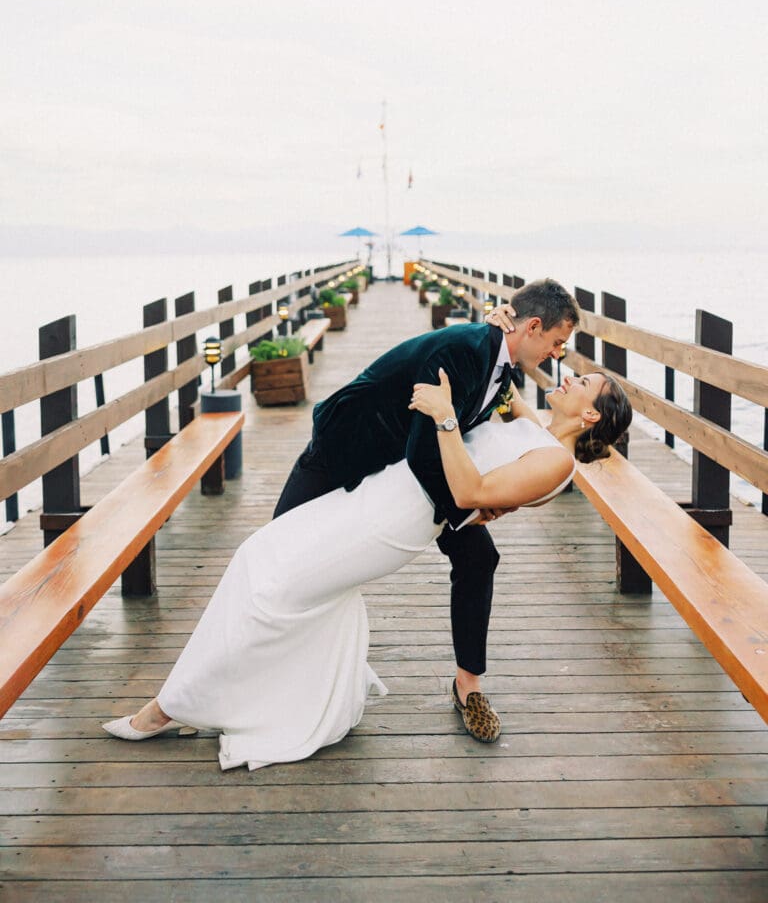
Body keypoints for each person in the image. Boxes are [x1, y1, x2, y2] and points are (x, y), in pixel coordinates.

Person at [103, 361, 632, 771]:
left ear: (590, 415)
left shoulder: (558, 462)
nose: (566, 376)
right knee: (265, 564)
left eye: (582, 381)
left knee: (271, 587)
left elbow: (472, 491)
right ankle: (239, 698)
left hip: (397, 518)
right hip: (386, 490)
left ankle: (170, 707)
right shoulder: (539, 430)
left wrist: (445, 416)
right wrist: (501, 331)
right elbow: (506, 380)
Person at [269, 277, 578, 742]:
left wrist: (494, 500)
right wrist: (470, 511)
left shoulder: (503, 367)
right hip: (344, 449)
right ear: (533, 325)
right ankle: (274, 670)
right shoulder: (462, 353)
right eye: (557, 342)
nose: (558, 355)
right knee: (276, 554)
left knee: (479, 558)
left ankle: (467, 685)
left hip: (406, 471)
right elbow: (424, 453)